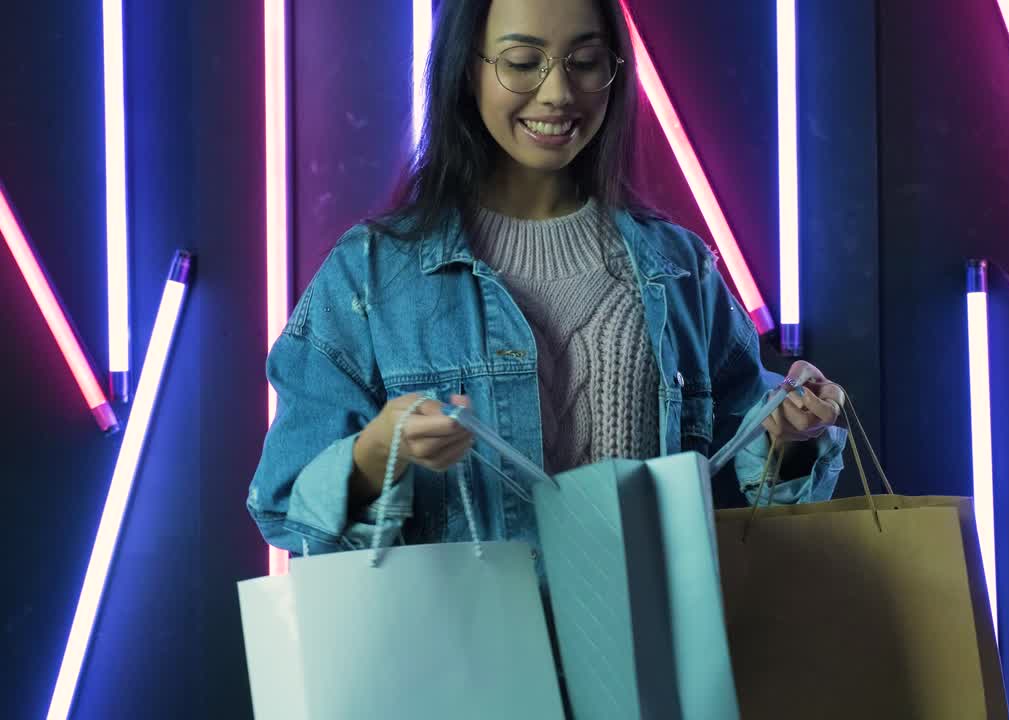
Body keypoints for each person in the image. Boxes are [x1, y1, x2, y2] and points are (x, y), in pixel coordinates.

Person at [246, 0, 847, 559]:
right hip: (469, 640)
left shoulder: (680, 268)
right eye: (521, 62)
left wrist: (791, 433)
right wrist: (377, 452)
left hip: (650, 638)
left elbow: (750, 491)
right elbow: (284, 502)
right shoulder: (371, 273)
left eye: (584, 62)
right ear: (467, 70)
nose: (558, 93)